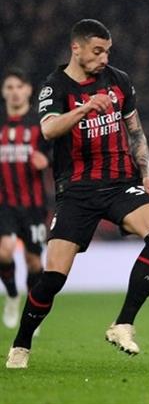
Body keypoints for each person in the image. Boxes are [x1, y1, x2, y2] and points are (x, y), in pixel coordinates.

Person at [5, 19, 149, 369]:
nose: (103, 58)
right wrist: (83, 109)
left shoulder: (118, 80)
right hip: (77, 191)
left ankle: (123, 323)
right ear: (76, 49)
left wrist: (147, 174)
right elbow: (49, 129)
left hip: (119, 183)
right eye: (97, 51)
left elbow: (136, 133)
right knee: (53, 278)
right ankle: (21, 344)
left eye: (107, 51)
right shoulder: (55, 86)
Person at [0, 69, 49, 330]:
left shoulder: (39, 124)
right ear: (4, 92)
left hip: (33, 206)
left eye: (19, 86)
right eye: (9, 87)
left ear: (28, 90)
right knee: (3, 252)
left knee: (33, 262)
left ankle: (31, 310)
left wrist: (47, 160)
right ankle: (11, 294)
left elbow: (57, 153)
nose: (15, 91)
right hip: (4, 203)